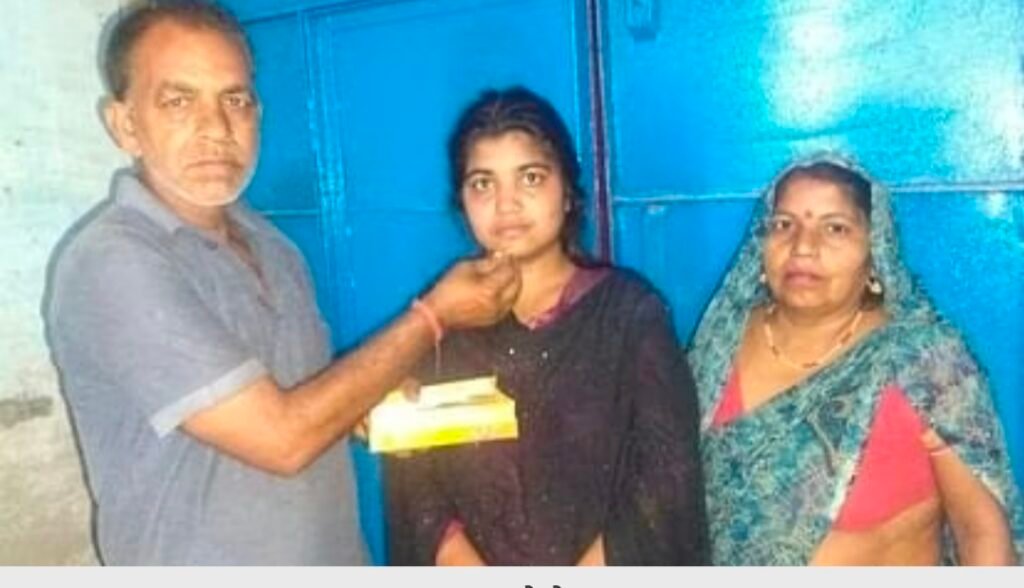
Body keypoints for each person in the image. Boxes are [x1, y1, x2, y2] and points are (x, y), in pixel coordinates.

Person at [42, 0, 520, 565]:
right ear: (125, 125)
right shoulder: (110, 263)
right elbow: (282, 437)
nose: (216, 129)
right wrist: (434, 316)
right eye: (178, 101)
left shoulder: (271, 245)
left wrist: (368, 401)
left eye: (235, 100)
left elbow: (301, 399)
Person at [383, 86, 707, 566]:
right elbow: (415, 484)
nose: (506, 204)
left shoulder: (628, 315)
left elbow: (666, 477)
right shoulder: (442, 321)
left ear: (568, 191)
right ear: (461, 201)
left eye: (530, 178)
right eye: (482, 184)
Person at [689, 154, 1024, 565]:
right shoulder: (721, 339)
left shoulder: (923, 358)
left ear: (875, 252)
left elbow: (981, 531)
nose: (803, 247)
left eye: (835, 228)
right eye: (783, 225)